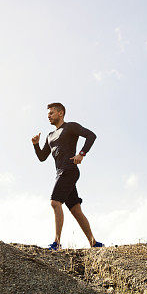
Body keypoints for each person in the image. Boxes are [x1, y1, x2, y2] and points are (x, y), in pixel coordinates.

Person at [31, 102, 103, 250]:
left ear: (60, 113)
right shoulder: (50, 136)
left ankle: (56, 243)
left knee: (55, 202)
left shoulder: (70, 127)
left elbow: (91, 136)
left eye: (51, 113)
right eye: (48, 114)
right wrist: (36, 145)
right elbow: (42, 157)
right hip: (60, 172)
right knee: (76, 209)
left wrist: (81, 154)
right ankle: (94, 243)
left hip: (69, 170)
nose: (48, 116)